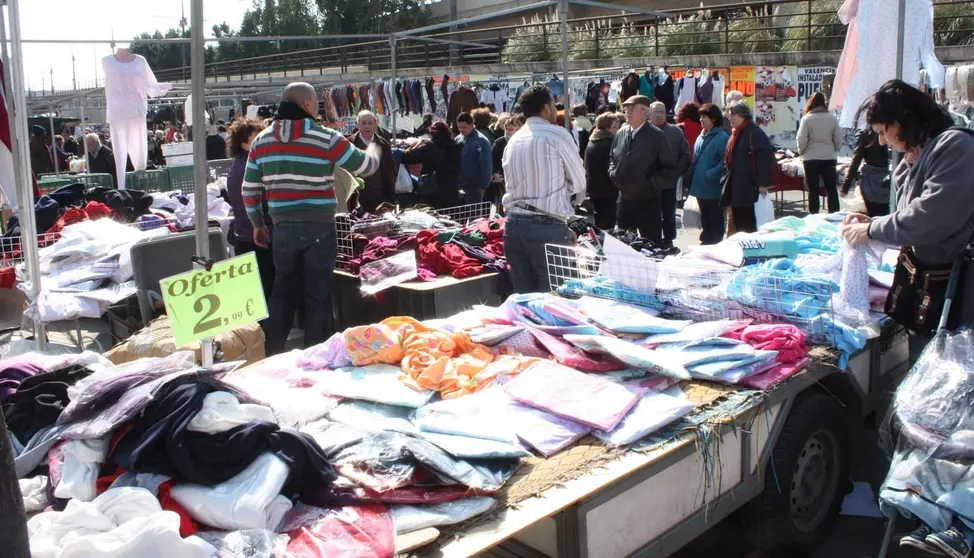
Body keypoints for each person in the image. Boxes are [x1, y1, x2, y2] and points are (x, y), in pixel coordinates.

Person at [242, 82, 380, 355]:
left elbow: (249, 190)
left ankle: (272, 352)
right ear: (306, 104)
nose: (318, 106)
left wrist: (258, 224)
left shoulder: (261, 140)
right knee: (317, 294)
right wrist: (375, 150)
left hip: (281, 229)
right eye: (316, 101)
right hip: (320, 227)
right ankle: (316, 355)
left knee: (282, 292)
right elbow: (366, 167)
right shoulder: (326, 137)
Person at [842, 79, 974, 330]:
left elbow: (931, 218)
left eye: (883, 132)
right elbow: (906, 216)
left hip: (957, 294)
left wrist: (873, 229)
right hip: (930, 289)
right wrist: (873, 225)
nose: (881, 142)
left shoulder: (956, 147)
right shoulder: (915, 155)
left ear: (901, 122)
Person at [502, 85, 586, 293]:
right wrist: (566, 199)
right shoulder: (556, 134)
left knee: (526, 301)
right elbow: (579, 182)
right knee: (558, 300)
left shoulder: (513, 140)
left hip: (513, 226)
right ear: (547, 107)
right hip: (546, 226)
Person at [225, 116, 275, 302]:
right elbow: (253, 202)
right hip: (255, 237)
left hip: (248, 235)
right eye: (257, 136)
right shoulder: (247, 166)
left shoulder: (242, 164)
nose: (263, 139)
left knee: (260, 293)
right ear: (244, 142)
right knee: (263, 293)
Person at [609, 95, 669, 242]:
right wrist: (614, 174)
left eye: (632, 108)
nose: (627, 112)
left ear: (644, 112)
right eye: (626, 108)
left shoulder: (656, 136)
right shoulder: (621, 133)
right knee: (622, 244)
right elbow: (612, 157)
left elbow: (668, 167)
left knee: (650, 245)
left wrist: (651, 185)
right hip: (624, 200)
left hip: (647, 202)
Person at [722, 101, 774, 233]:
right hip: (736, 189)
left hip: (750, 191)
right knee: (740, 226)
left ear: (742, 115)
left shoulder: (754, 133)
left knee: (749, 227)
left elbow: (766, 159)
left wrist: (763, 184)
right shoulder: (736, 134)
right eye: (729, 115)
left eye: (732, 114)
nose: (729, 118)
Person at [649, 101, 692, 250]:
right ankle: (652, 241)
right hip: (649, 183)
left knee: (668, 214)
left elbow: (685, 155)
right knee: (651, 215)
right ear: (649, 114)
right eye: (656, 112)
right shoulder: (644, 132)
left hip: (669, 181)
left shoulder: (675, 132)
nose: (660, 114)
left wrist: (676, 173)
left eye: (662, 111)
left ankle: (669, 240)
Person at [689, 104, 730, 245]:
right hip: (700, 185)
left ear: (713, 119)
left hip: (713, 187)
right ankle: (706, 240)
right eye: (700, 117)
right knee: (705, 216)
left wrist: (710, 174)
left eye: (704, 117)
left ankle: (715, 242)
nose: (701, 120)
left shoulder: (722, 137)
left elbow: (724, 162)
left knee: (715, 217)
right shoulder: (701, 136)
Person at [798, 91, 842, 214]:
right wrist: (835, 149)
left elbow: (801, 139)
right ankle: (834, 214)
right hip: (829, 156)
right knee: (831, 188)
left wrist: (802, 152)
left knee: (813, 189)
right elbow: (838, 138)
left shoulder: (806, 119)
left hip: (811, 157)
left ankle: (814, 215)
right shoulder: (832, 119)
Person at [401, 121, 463, 209]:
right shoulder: (456, 147)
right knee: (451, 216)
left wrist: (413, 146)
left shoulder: (431, 147)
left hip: (433, 190)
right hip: (452, 188)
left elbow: (408, 157)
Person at [349, 110, 397, 213]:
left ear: (376, 124)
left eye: (370, 123)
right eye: (364, 123)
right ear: (357, 125)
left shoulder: (383, 144)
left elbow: (390, 170)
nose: (367, 126)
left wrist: (391, 197)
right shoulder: (350, 144)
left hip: (379, 196)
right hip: (357, 197)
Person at [841, 128, 891, 217]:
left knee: (874, 214)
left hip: (870, 179)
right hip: (885, 177)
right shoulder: (890, 131)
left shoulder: (866, 134)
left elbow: (856, 160)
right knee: (885, 213)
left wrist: (846, 185)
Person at [584, 112, 620, 230]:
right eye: (614, 126)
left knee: (600, 219)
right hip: (607, 189)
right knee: (608, 222)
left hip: (595, 188)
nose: (617, 129)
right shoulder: (608, 143)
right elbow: (610, 167)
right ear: (606, 127)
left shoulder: (593, 140)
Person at [486, 113, 524, 209]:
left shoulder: (521, 141)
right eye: (506, 128)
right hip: (503, 179)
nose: (508, 131)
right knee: (504, 204)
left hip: (520, 178)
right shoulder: (499, 142)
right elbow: (491, 160)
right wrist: (494, 173)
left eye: (511, 128)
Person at [455, 112, 493, 204]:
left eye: (464, 127)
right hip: (459, 185)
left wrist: (483, 186)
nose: (461, 130)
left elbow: (486, 165)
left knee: (474, 216)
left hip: (474, 186)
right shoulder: (458, 139)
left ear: (472, 125)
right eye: (459, 127)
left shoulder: (482, 141)